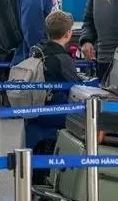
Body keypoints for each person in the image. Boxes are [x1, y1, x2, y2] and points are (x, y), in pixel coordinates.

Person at [26, 10, 82, 184]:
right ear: (68, 34)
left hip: (35, 110)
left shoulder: (36, 52)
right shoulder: (63, 59)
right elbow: (76, 87)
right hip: (56, 114)